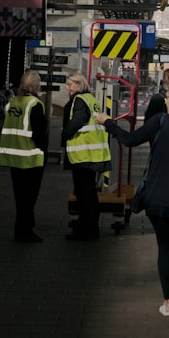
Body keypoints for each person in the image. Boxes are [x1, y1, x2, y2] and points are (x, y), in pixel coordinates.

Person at [96, 78, 169, 319]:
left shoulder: (160, 121)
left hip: (159, 197)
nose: (165, 101)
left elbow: (128, 140)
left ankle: (167, 303)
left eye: (167, 97)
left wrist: (108, 123)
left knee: (165, 248)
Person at [0, 70, 48, 243]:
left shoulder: (12, 103)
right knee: (29, 198)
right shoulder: (35, 104)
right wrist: (45, 152)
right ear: (36, 86)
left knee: (19, 197)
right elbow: (40, 134)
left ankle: (20, 229)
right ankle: (25, 230)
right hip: (31, 158)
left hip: (13, 157)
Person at [61, 71, 111, 240]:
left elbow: (77, 121)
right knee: (90, 193)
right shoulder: (91, 99)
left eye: (71, 84)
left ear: (79, 84)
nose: (68, 88)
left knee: (85, 194)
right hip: (92, 153)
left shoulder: (80, 101)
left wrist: (65, 132)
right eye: (67, 85)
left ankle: (87, 230)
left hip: (83, 154)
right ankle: (91, 228)